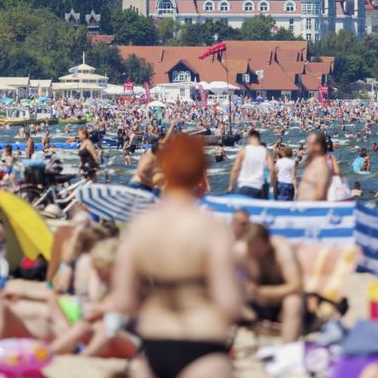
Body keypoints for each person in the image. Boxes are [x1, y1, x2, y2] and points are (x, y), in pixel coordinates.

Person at [114, 134, 242, 378]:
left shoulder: (143, 225)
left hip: (154, 337)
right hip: (203, 337)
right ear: (200, 174)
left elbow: (124, 301)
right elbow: (229, 303)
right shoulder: (212, 228)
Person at [238, 222, 305, 342]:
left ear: (267, 242)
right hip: (255, 303)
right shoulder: (242, 252)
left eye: (257, 249)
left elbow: (297, 285)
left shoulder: (282, 250)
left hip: (280, 301)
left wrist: (262, 293)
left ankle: (288, 349)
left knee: (293, 301)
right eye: (251, 249)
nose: (254, 254)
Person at [227, 129, 270, 199]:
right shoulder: (264, 151)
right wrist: (274, 186)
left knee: (246, 208)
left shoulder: (244, 150)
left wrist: (231, 185)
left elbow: (235, 169)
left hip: (245, 185)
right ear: (259, 138)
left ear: (250, 138)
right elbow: (272, 169)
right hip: (259, 185)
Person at [297, 132, 333, 202]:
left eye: (309, 143)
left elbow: (321, 194)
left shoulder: (321, 166)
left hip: (312, 208)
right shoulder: (313, 163)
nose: (306, 145)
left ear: (318, 146)